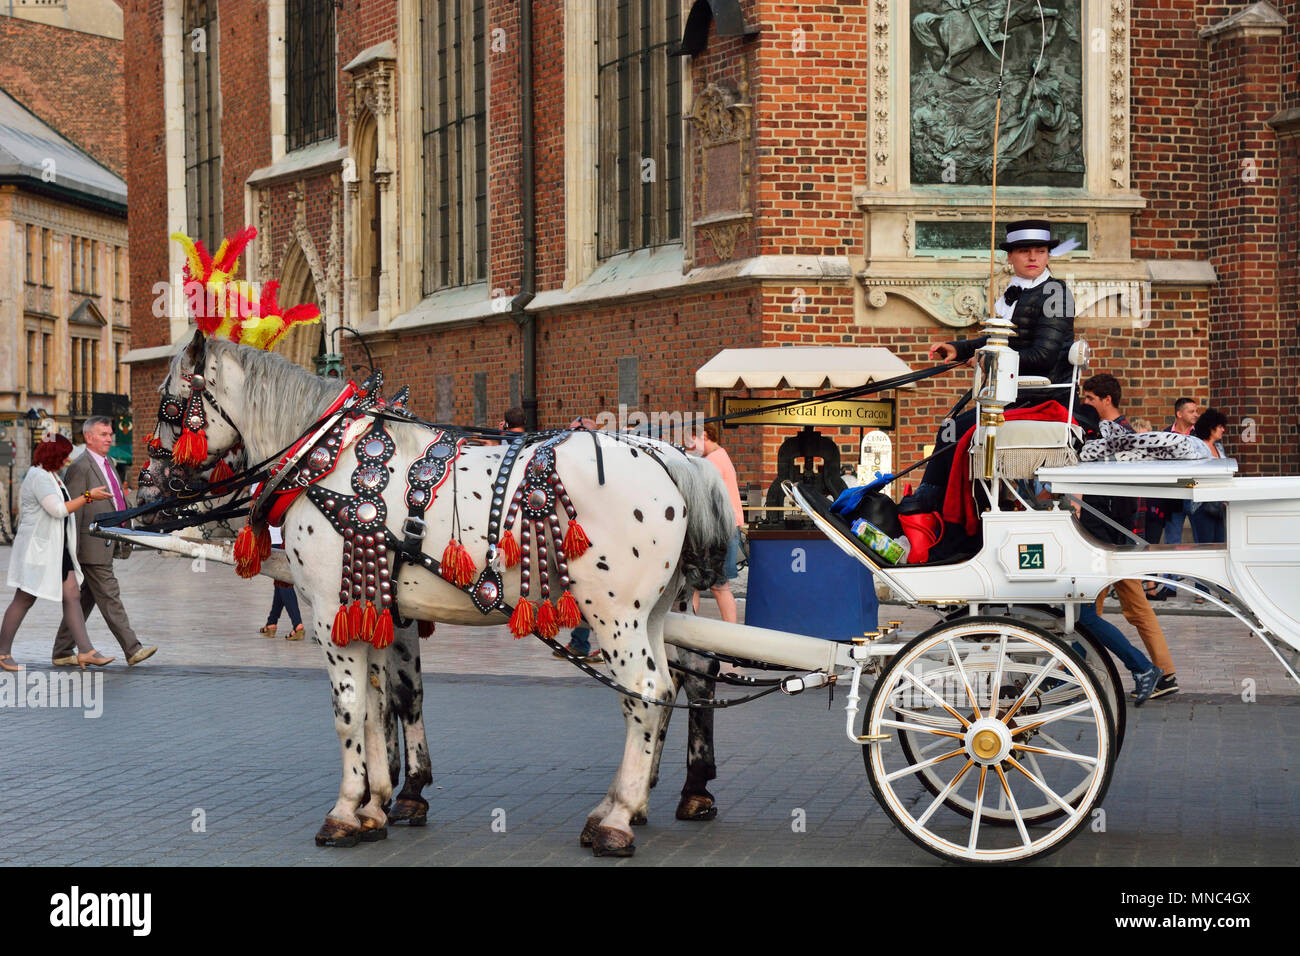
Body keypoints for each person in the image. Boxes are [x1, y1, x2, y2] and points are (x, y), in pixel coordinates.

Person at [914, 219, 1077, 508]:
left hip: (1042, 397)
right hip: (1013, 396)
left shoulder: (1056, 293)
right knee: (950, 428)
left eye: (1040, 251)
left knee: (956, 430)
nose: (1033, 258)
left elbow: (1044, 357)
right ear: (1010, 256)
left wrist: (987, 361)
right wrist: (959, 348)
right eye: (1025, 251)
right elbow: (998, 341)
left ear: (1048, 255)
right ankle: (945, 504)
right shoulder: (1016, 293)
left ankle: (937, 505)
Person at [1079, 373, 1179, 698]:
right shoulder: (1113, 433)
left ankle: (1157, 673)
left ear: (1107, 399)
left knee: (1106, 610)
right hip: (1112, 538)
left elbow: (1122, 497)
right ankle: (1160, 673)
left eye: (1090, 398)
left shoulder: (1118, 436)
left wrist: (1118, 541)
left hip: (1111, 540)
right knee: (1095, 610)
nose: (1085, 402)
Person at [0, 434, 117, 671]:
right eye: (64, 455)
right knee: (24, 599)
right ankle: (2, 653)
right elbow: (57, 510)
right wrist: (87, 497)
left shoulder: (51, 476)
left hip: (57, 549)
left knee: (72, 595)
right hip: (39, 550)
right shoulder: (39, 477)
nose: (67, 460)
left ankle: (86, 651)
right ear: (54, 454)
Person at [51, 417, 158, 668]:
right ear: (89, 437)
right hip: (90, 543)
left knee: (88, 597)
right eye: (104, 434)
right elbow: (73, 511)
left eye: (110, 434)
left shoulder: (109, 462)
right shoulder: (80, 467)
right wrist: (71, 551)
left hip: (107, 539)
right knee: (110, 595)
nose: (110, 438)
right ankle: (133, 649)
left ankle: (62, 650)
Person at [689, 422, 743, 625]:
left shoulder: (712, 461)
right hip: (723, 527)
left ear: (704, 435)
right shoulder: (721, 456)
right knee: (694, 582)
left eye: (692, 440)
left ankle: (730, 634)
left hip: (720, 529)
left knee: (719, 585)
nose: (690, 446)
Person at [260, 526, 305, 640]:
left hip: (274, 538)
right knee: (280, 581)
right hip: (290, 538)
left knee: (284, 581)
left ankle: (297, 625)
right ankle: (271, 623)